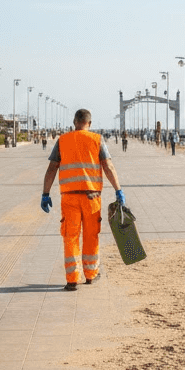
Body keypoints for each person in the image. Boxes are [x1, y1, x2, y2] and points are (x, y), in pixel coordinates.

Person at [40, 109, 125, 291]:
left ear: (74, 122)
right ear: (90, 123)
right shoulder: (97, 139)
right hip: (91, 197)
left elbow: (52, 168)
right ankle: (90, 274)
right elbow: (108, 166)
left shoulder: (63, 140)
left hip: (69, 197)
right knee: (90, 235)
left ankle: (72, 279)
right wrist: (118, 190)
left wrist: (45, 193)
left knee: (70, 237)